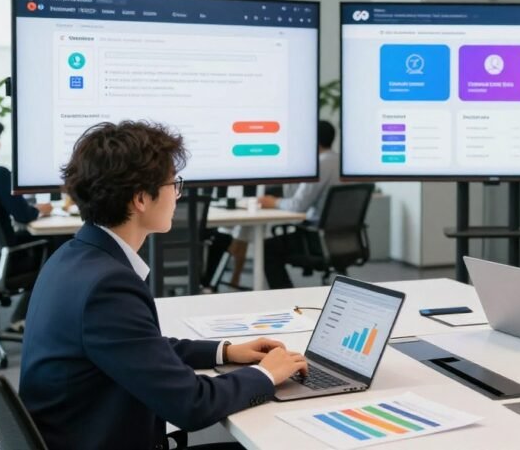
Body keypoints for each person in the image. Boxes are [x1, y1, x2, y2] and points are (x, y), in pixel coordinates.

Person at [20, 121, 309, 450]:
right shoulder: (107, 286)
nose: (177, 194)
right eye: (174, 183)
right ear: (141, 198)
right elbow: (192, 405)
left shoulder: (72, 256)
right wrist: (266, 375)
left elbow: (138, 347)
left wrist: (224, 352)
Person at [0, 117, 53, 330]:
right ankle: (20, 317)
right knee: (53, 246)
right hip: (3, 259)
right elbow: (23, 215)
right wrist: (40, 210)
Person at [262, 120, 340, 289]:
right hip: (342, 239)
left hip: (317, 240)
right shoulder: (340, 161)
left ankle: (286, 298)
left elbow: (297, 205)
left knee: (266, 248)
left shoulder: (319, 164)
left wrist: (273, 202)